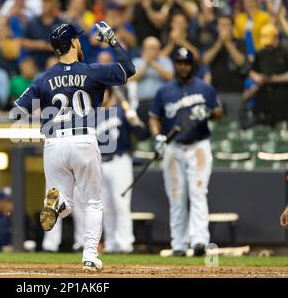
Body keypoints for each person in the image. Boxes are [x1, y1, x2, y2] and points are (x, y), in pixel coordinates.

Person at [13, 22, 136, 271]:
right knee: (92, 202)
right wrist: (112, 39)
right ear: (72, 43)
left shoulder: (45, 77)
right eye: (77, 39)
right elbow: (129, 69)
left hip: (54, 143)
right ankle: (89, 256)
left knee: (67, 205)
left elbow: (18, 110)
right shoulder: (91, 71)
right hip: (83, 139)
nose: (79, 42)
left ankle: (57, 204)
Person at [148, 47, 222, 257]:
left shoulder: (204, 88)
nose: (183, 66)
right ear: (174, 64)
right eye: (179, 62)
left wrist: (208, 112)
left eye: (186, 63)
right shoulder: (165, 91)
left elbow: (218, 114)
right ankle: (179, 244)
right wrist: (157, 137)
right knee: (176, 196)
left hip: (198, 144)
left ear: (192, 65)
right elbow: (154, 117)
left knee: (198, 192)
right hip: (173, 146)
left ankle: (199, 240)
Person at [98, 87, 144, 254]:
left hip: (119, 160)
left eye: (102, 92)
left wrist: (135, 120)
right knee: (105, 207)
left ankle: (125, 243)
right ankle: (111, 244)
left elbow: (141, 134)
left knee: (121, 204)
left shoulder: (121, 111)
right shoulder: (93, 115)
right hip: (100, 163)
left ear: (109, 93)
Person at [203, 15, 247, 119]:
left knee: (234, 126)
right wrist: (219, 43)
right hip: (216, 92)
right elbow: (205, 60)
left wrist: (227, 43)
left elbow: (240, 61)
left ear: (232, 26)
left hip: (235, 93)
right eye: (221, 25)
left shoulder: (240, 42)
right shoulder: (212, 42)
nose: (224, 28)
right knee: (216, 126)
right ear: (217, 27)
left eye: (226, 25)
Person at [128, 37, 174, 136]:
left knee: (162, 133)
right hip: (142, 103)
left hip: (161, 103)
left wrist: (153, 64)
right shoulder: (137, 61)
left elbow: (170, 77)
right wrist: (146, 63)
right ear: (144, 49)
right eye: (150, 48)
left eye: (156, 48)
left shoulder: (165, 60)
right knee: (144, 132)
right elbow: (131, 78)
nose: (153, 51)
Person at [249, 23, 288, 125]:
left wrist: (274, 79)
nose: (267, 45)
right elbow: (252, 70)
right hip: (263, 97)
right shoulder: (261, 53)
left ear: (276, 37)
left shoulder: (285, 52)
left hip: (282, 98)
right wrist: (256, 77)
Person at [21, 0, 64, 70]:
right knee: (27, 66)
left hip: (53, 58)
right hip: (34, 58)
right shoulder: (33, 22)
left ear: (54, 6)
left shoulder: (60, 24)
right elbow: (23, 42)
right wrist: (37, 44)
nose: (45, 5)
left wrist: (48, 46)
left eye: (48, 3)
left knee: (53, 64)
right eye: (44, 2)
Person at [0, 187, 32, 252]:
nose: (10, 204)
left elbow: (29, 240)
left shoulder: (24, 218)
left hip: (19, 255)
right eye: (7, 201)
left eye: (12, 200)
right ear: (0, 202)